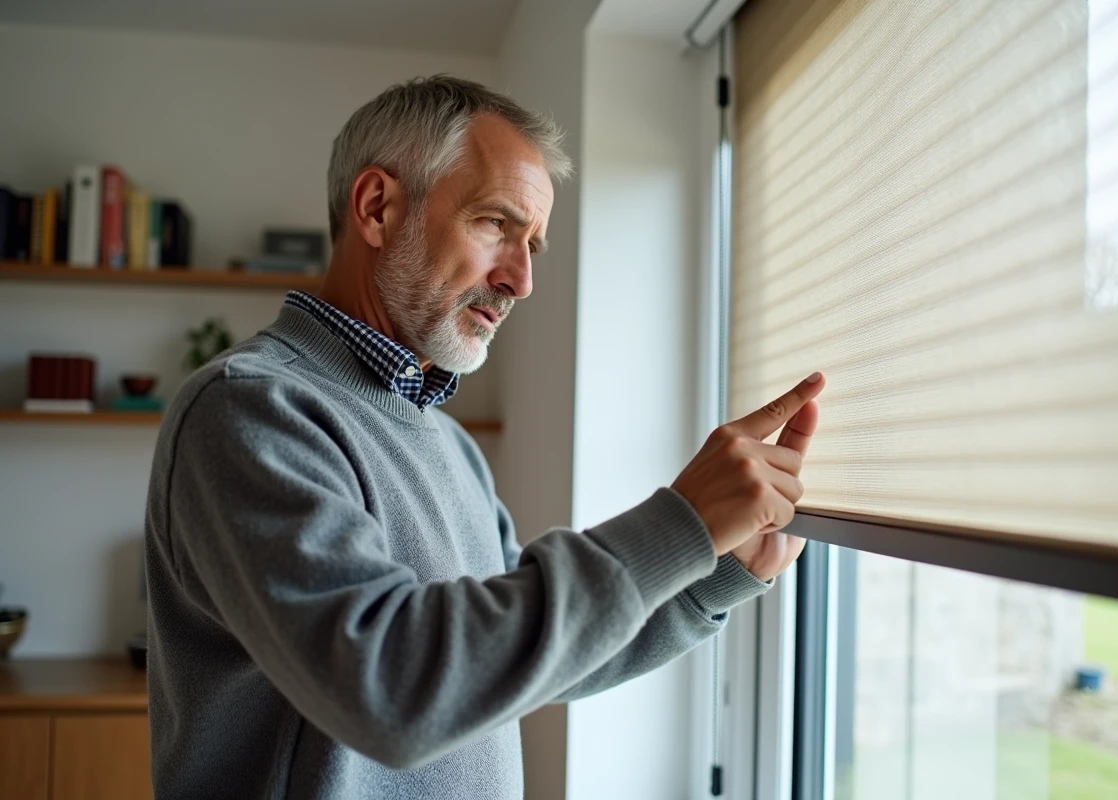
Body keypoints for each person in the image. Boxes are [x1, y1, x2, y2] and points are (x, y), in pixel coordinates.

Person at [144, 75, 824, 800]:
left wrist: (715, 572)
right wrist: (678, 527)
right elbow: (392, 691)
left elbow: (508, 662)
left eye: (533, 243)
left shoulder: (449, 444)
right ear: (377, 208)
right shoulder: (248, 410)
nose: (523, 279)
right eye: (496, 224)